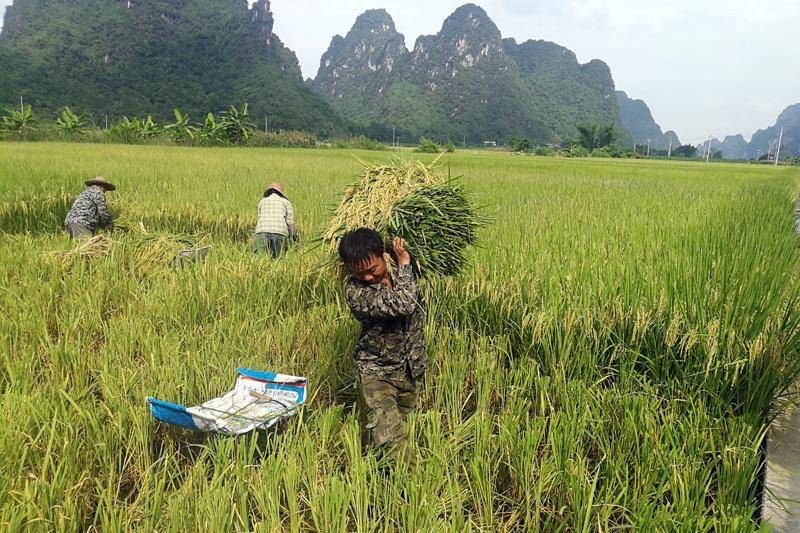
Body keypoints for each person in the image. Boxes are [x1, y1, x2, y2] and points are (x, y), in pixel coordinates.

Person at [339, 228, 427, 463]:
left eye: (372, 270)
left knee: (393, 431)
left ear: (383, 255)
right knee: (393, 443)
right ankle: (409, 489)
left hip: (411, 369)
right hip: (377, 372)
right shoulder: (356, 292)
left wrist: (406, 258)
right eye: (360, 273)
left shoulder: (403, 273)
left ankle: (374, 470)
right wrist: (405, 264)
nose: (368, 277)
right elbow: (405, 303)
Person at [254, 182, 298, 258]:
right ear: (280, 193)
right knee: (278, 259)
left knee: (260, 259)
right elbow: (290, 222)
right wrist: (294, 238)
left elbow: (260, 216)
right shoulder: (286, 202)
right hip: (280, 232)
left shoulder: (262, 202)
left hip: (262, 232)